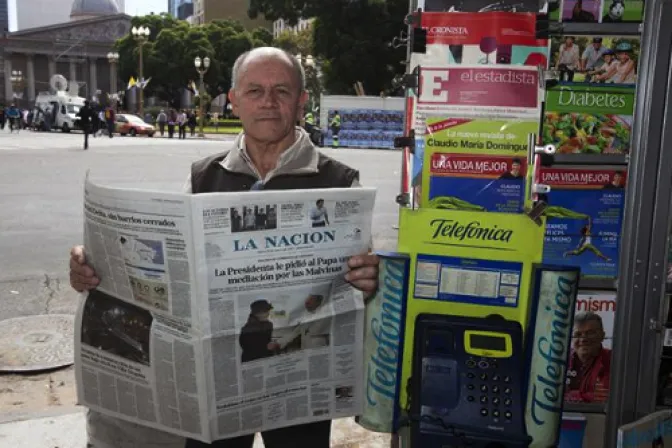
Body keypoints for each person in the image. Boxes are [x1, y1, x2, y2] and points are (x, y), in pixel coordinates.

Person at [68, 46, 380, 448]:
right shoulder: (203, 176)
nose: (268, 102)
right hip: (217, 382)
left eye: (282, 91)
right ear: (234, 99)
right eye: (255, 91)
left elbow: (365, 278)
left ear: (301, 101)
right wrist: (93, 268)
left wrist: (371, 276)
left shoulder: (339, 182)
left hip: (299, 381)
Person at [565, 312, 611, 403]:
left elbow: (603, 397)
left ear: (602, 336)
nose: (583, 339)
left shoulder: (614, 360)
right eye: (578, 334)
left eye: (590, 333)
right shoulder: (560, 360)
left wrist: (570, 396)